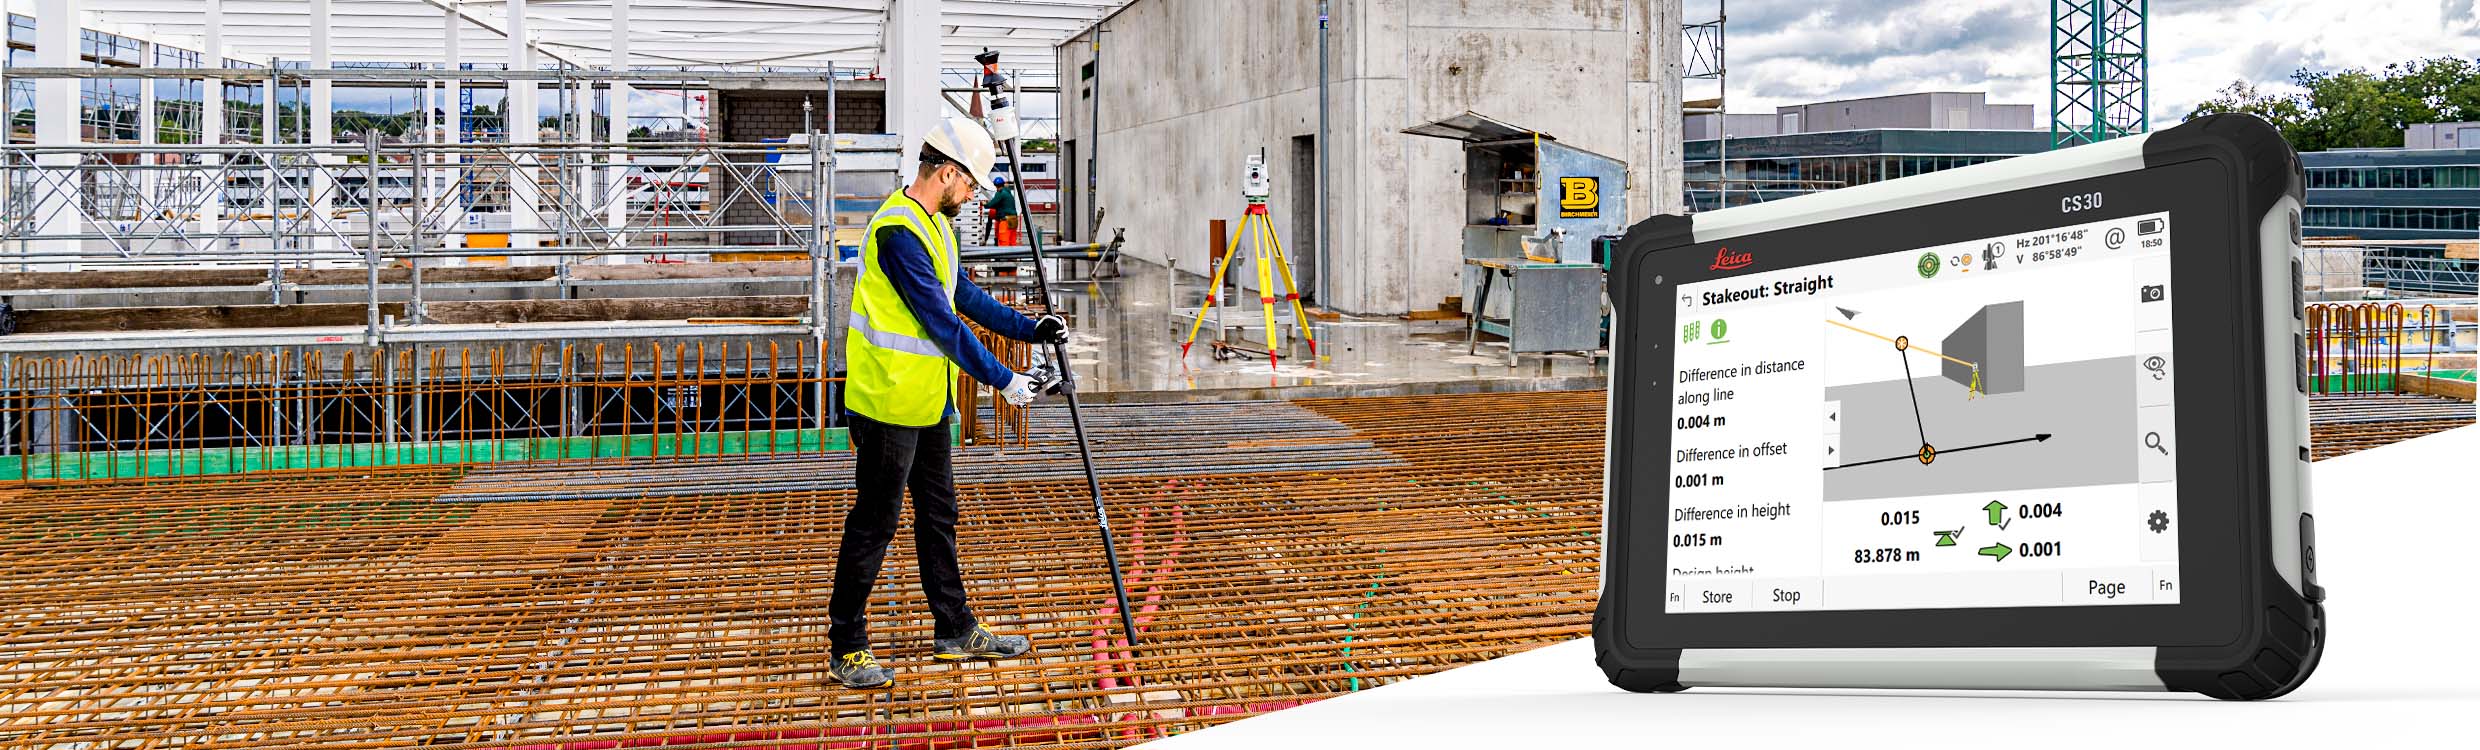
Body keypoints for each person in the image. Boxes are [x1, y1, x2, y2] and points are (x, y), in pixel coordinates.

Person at [829, 115, 1070, 689]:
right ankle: (847, 644)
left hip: (928, 402)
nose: (972, 195)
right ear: (946, 173)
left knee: (939, 515)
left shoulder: (936, 225)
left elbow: (963, 294)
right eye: (969, 184)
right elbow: (942, 323)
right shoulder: (897, 234)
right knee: (876, 522)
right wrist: (1004, 380)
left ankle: (955, 627)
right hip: (886, 403)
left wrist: (1029, 327)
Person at [987, 176, 1020, 246]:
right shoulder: (1009, 193)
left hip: (1005, 221)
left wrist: (985, 204)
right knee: (1012, 242)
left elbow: (991, 204)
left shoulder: (1000, 193)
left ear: (995, 186)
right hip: (1014, 220)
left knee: (1003, 243)